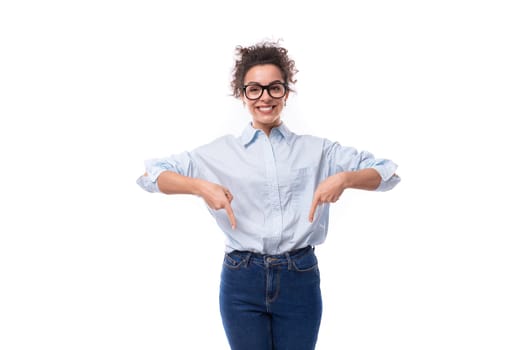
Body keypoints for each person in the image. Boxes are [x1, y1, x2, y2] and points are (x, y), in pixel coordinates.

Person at [137, 40, 400, 350]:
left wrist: (345, 178)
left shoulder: (318, 151)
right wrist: (201, 188)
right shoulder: (219, 153)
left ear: (286, 92)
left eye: (274, 88)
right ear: (242, 94)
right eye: (255, 89)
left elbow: (387, 174)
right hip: (241, 280)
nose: (265, 97)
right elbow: (151, 176)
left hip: (299, 277)